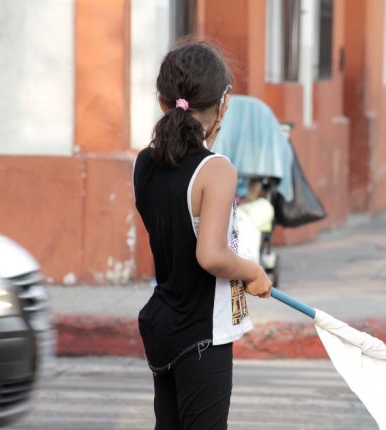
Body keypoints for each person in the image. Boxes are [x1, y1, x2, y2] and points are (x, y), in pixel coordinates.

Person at [132, 41, 272, 429]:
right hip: (202, 332)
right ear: (223, 104)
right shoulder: (216, 170)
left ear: (163, 102)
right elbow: (210, 255)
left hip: (163, 321)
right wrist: (252, 271)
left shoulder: (143, 163)